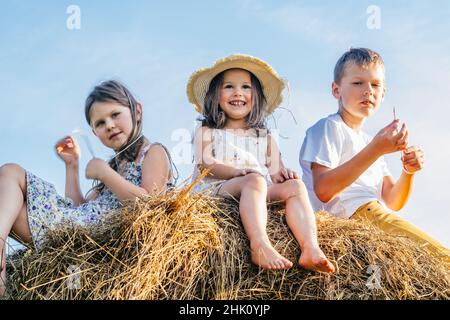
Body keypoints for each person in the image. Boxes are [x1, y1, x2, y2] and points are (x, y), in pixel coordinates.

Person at [0, 80, 176, 296]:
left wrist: (106, 174)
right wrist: (72, 165)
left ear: (137, 111)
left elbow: (151, 205)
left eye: (115, 114)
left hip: (101, 249)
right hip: (74, 239)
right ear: (95, 133)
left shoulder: (152, 152)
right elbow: (76, 209)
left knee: (11, 172)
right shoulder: (110, 171)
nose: (109, 125)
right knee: (9, 184)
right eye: (100, 123)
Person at [188, 54, 335, 272]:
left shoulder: (264, 137)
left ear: (255, 97)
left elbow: (276, 172)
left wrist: (285, 175)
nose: (238, 92)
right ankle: (259, 244)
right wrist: (236, 172)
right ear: (215, 96)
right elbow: (205, 164)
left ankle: (310, 247)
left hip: (255, 188)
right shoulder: (208, 131)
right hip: (216, 189)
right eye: (229, 86)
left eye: (245, 87)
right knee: (255, 180)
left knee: (295, 187)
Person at [300, 48, 449, 260]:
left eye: (376, 84)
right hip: (356, 217)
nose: (368, 90)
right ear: (336, 90)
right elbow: (324, 189)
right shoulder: (329, 127)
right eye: (358, 83)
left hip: (377, 216)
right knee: (442, 258)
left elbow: (393, 200)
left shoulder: (370, 141)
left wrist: (408, 171)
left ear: (383, 94)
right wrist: (376, 149)